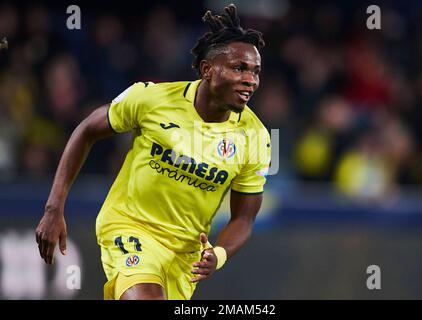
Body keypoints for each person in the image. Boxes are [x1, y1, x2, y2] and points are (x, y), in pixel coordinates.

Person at [35, 4, 271, 300]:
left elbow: (244, 218)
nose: (250, 80)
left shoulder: (255, 137)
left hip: (184, 257)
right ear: (207, 70)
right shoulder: (151, 99)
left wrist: (219, 253)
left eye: (255, 71)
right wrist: (54, 208)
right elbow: (86, 130)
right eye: (239, 68)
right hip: (130, 228)